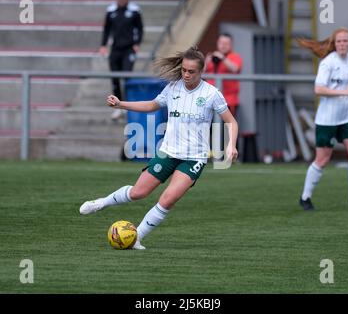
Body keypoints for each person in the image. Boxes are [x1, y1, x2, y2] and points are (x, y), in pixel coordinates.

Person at [79, 47, 239, 249]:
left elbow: (231, 122)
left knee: (167, 199)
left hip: (193, 158)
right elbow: (151, 105)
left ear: (201, 72)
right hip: (167, 151)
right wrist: (121, 104)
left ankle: (136, 237)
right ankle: (101, 203)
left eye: (191, 72)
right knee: (138, 193)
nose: (186, 75)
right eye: (184, 70)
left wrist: (231, 145)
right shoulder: (173, 88)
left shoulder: (211, 94)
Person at [297, 27, 348, 210]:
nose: (342, 44)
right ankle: (305, 197)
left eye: (345, 41)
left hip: (346, 118)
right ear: (334, 43)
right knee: (322, 160)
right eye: (339, 41)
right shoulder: (328, 63)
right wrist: (344, 91)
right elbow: (318, 89)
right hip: (327, 120)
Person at [99, 0, 144, 119]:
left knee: (127, 76)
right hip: (115, 49)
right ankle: (117, 107)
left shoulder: (134, 10)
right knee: (114, 78)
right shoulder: (111, 11)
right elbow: (107, 30)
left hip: (128, 49)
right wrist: (103, 45)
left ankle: (128, 106)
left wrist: (137, 43)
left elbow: (140, 28)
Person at [205, 33, 243, 117]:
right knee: (212, 128)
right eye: (221, 43)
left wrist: (223, 58)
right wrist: (206, 62)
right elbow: (200, 73)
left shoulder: (235, 57)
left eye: (226, 44)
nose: (223, 46)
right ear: (217, 43)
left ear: (231, 45)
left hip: (228, 101)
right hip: (210, 100)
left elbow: (235, 68)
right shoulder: (211, 57)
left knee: (227, 128)